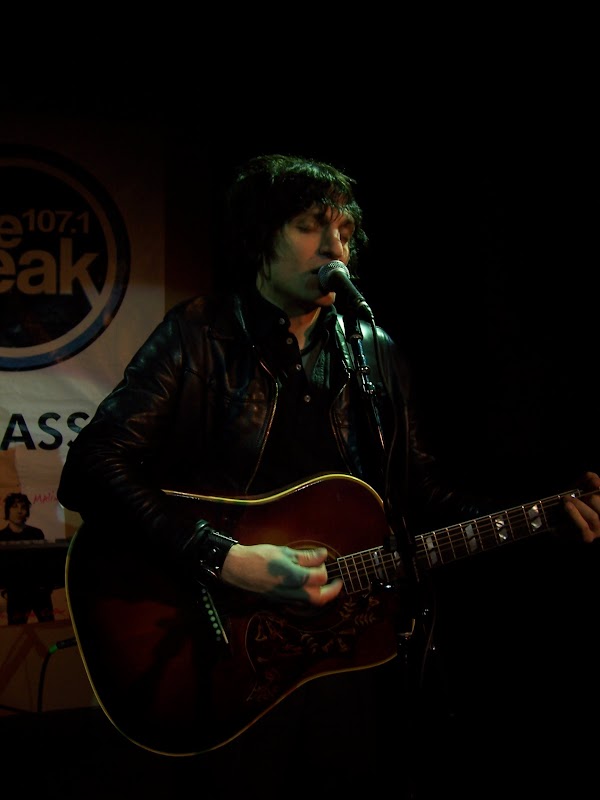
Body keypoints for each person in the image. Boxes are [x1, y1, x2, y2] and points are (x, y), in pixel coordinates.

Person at [57, 153, 600, 799]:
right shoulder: (199, 334)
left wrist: (541, 517)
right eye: (312, 225)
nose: (335, 247)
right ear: (260, 235)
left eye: (344, 230)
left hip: (341, 663)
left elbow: (419, 494)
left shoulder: (374, 351)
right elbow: (92, 468)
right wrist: (225, 558)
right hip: (216, 652)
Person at [0, 492, 55, 625]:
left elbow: (45, 562)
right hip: (15, 592)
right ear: (8, 510)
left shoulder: (36, 533)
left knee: (49, 627)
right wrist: (4, 590)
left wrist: (48, 586)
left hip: (40, 591)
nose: (19, 511)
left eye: (23, 507)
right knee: (17, 629)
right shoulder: (1, 537)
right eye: (15, 506)